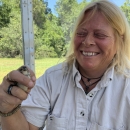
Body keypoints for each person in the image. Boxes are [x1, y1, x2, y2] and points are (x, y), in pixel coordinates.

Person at [0, 0, 130, 130]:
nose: (87, 41)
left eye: (100, 35)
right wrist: (8, 108)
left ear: (120, 41)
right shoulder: (52, 79)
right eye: (81, 33)